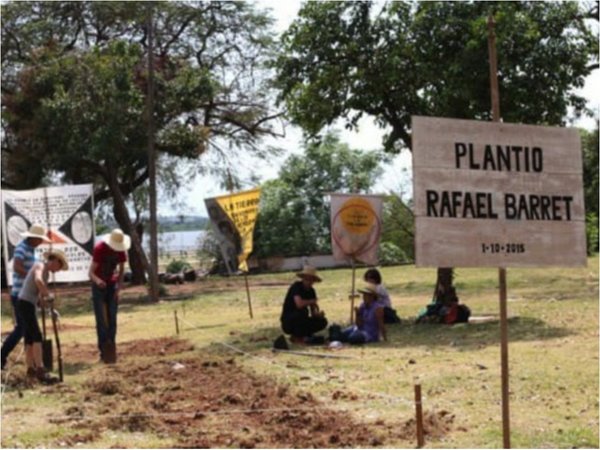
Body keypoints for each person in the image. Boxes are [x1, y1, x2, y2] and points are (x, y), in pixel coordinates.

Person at [1, 224, 50, 370]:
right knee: (22, 328)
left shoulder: (33, 251)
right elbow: (17, 267)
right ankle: (2, 355)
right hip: (19, 294)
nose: (41, 242)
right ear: (33, 237)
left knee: (27, 329)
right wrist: (32, 277)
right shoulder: (21, 248)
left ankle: (31, 363)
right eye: (39, 239)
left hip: (28, 296)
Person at [17, 249, 69, 383]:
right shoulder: (40, 266)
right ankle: (40, 369)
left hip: (28, 304)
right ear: (55, 261)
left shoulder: (47, 275)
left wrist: (50, 309)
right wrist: (48, 294)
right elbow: (38, 280)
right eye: (60, 266)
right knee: (37, 336)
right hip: (25, 303)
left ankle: (30, 370)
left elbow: (40, 298)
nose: (58, 270)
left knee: (29, 338)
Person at [88, 228, 130, 363]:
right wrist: (98, 280)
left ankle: (111, 348)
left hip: (112, 286)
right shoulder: (100, 249)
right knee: (101, 321)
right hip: (98, 286)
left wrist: (118, 289)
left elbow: (122, 271)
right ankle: (103, 352)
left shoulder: (121, 252)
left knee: (112, 319)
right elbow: (91, 273)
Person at [280, 265, 327, 343]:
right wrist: (311, 301)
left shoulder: (312, 291)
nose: (309, 281)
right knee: (300, 314)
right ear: (303, 278)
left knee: (322, 321)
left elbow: (313, 312)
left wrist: (318, 315)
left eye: (311, 279)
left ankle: (303, 335)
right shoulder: (296, 287)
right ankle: (297, 337)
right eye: (307, 279)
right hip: (289, 321)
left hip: (302, 319)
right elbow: (299, 304)